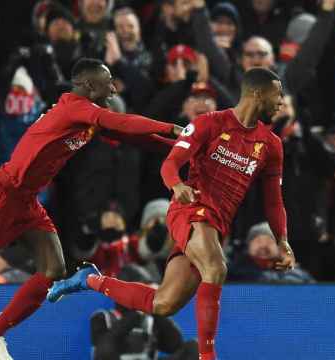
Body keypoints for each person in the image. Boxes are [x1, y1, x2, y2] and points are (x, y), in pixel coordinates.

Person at [0, 58, 182, 360]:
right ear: (87, 85)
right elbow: (122, 122)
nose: (113, 87)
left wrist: (183, 147)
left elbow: (132, 136)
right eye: (107, 81)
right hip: (3, 194)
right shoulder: (74, 107)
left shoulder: (88, 119)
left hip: (27, 199)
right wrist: (173, 129)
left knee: (53, 269)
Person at [48, 68, 297, 360]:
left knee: (163, 304)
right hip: (189, 209)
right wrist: (176, 184)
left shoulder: (271, 145)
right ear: (256, 93)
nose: (281, 101)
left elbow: (273, 200)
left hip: (216, 226)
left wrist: (282, 240)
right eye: (277, 93)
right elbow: (170, 163)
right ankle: (208, 357)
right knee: (216, 268)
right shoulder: (208, 123)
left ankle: (89, 280)